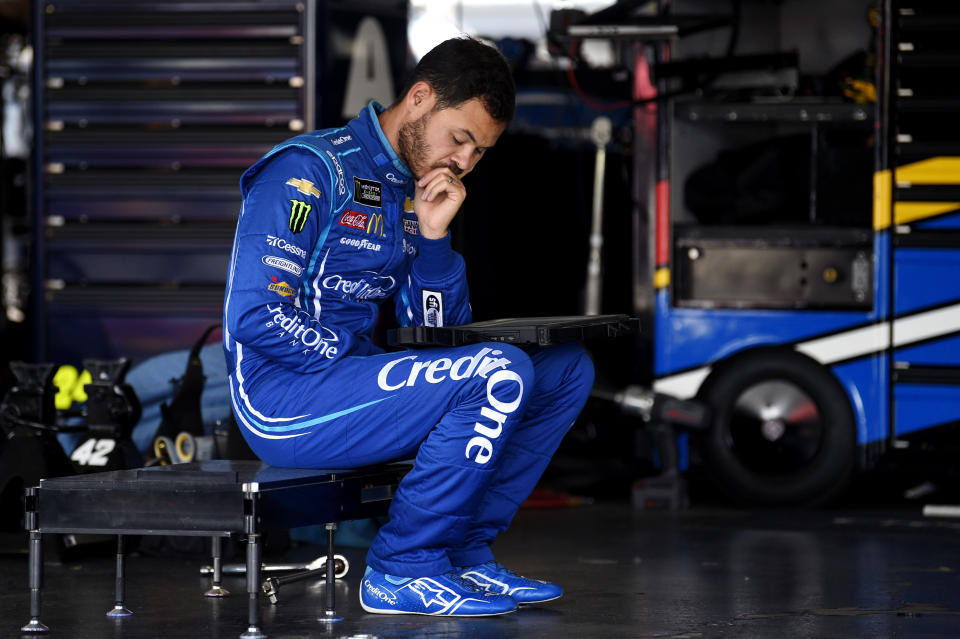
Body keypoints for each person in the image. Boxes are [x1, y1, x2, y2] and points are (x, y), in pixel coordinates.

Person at [223, 36, 594, 616]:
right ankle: (402, 568)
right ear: (420, 98)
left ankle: (465, 553)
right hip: (281, 400)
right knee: (497, 372)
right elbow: (255, 316)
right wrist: (360, 361)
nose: (465, 163)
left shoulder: (416, 189)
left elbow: (439, 335)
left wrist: (435, 241)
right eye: (461, 139)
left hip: (359, 387)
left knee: (566, 369)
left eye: (480, 153)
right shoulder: (308, 171)